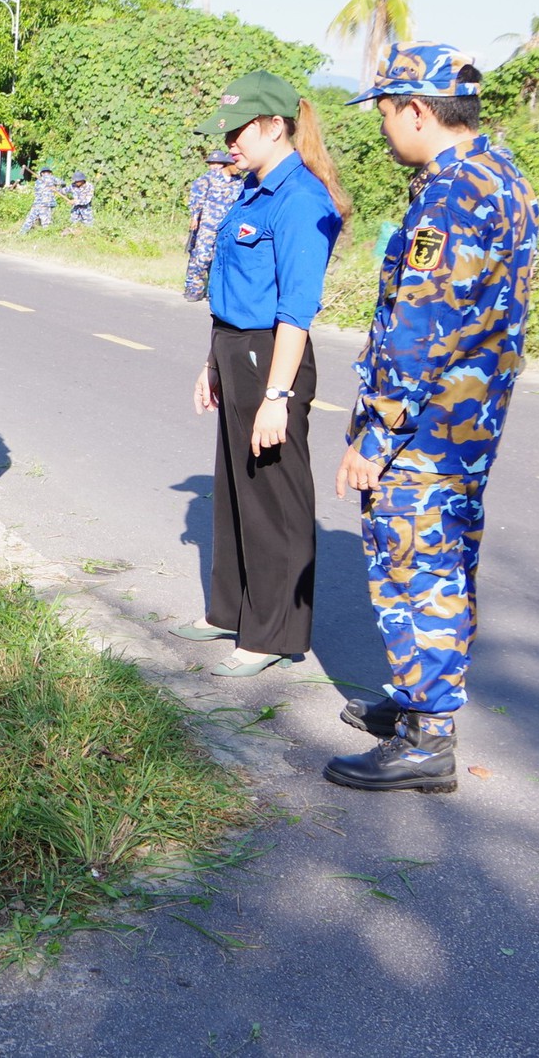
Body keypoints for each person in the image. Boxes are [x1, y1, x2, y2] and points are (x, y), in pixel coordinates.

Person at [326, 43, 539, 795]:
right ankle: (419, 698)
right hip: (470, 422)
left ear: (416, 110)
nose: (385, 128)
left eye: (386, 112)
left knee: (415, 564)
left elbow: (419, 327)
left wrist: (374, 436)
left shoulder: (449, 195)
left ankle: (427, 734)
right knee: (445, 559)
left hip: (426, 428)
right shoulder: (502, 175)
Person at [179, 72, 348, 677]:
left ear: (276, 126)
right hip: (235, 348)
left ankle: (272, 632)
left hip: (272, 356)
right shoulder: (252, 190)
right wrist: (211, 360)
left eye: (239, 129)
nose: (230, 140)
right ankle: (231, 610)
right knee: (233, 489)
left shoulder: (302, 200)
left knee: (273, 496)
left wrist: (277, 395)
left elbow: (295, 310)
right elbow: (233, 288)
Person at [185, 149, 242, 302]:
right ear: (228, 164)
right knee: (201, 257)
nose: (238, 168)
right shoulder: (209, 178)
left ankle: (214, 292)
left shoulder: (239, 182)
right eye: (235, 164)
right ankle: (194, 289)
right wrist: (194, 216)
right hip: (207, 225)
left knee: (220, 260)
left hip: (226, 227)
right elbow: (197, 196)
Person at [17, 164, 59, 235]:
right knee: (46, 222)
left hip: (36, 204)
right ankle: (48, 235)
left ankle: (21, 233)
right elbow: (62, 182)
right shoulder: (52, 179)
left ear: (42, 173)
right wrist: (56, 187)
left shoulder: (37, 181)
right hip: (45, 204)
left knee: (29, 220)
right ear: (50, 173)